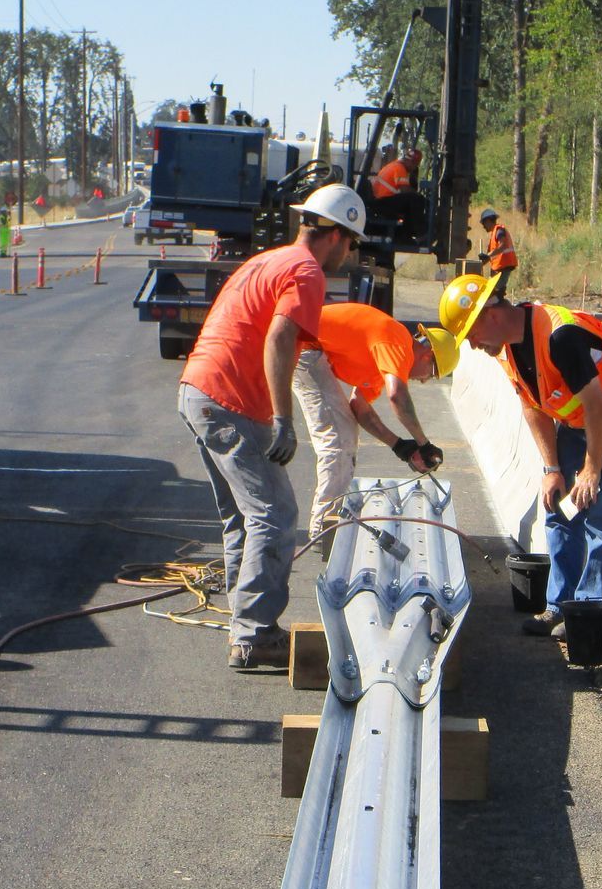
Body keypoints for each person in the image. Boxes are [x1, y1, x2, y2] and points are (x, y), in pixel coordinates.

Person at [177, 182, 368, 670]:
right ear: (339, 235)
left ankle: (247, 628)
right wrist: (284, 419)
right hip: (229, 399)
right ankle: (255, 633)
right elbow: (281, 336)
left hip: (201, 389)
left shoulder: (271, 259)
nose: (350, 254)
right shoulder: (306, 272)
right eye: (354, 243)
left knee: (245, 516)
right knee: (276, 514)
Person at [437, 272, 602, 636]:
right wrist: (552, 468)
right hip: (578, 419)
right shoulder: (507, 348)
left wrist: (591, 471)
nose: (473, 346)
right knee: (558, 507)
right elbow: (532, 406)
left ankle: (587, 615)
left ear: (490, 315)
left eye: (471, 335)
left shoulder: (560, 336)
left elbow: (598, 408)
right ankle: (559, 606)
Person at [292, 303, 458, 539]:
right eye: (432, 373)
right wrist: (423, 443)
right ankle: (325, 530)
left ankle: (329, 524)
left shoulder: (385, 361)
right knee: (339, 441)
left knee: (345, 432)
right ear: (428, 354)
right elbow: (397, 396)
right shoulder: (397, 341)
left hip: (309, 347)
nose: (424, 381)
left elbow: (360, 409)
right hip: (303, 345)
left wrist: (400, 446)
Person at [369, 146, 425, 241]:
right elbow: (405, 189)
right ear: (410, 162)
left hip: (381, 201)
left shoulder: (395, 165)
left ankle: (406, 233)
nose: (414, 169)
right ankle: (420, 233)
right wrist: (419, 196)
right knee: (415, 199)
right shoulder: (399, 168)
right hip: (383, 202)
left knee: (412, 200)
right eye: (415, 165)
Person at [478, 206, 517, 285]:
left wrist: (488, 255)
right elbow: (490, 256)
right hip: (500, 267)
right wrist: (479, 264)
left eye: (484, 223)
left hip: (505, 265)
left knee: (497, 290)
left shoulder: (499, 231)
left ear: (489, 221)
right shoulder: (494, 234)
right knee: (495, 290)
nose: (483, 226)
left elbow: (502, 246)